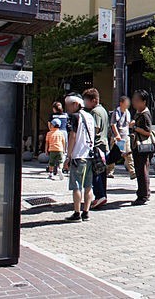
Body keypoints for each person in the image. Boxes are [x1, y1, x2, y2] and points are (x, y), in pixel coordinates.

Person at [63, 93, 95, 222]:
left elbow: (73, 136)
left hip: (78, 155)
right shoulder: (89, 116)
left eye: (69, 105)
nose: (67, 108)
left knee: (76, 185)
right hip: (90, 155)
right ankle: (86, 212)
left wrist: (68, 156)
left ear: (76, 104)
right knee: (88, 185)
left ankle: (77, 213)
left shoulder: (75, 117)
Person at [83, 88, 110, 209]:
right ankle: (102, 195)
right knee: (102, 171)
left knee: (96, 171)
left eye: (86, 101)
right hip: (104, 144)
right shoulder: (103, 110)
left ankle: (100, 195)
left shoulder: (95, 112)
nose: (85, 103)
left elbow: (95, 129)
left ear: (93, 100)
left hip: (97, 145)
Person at [131, 89, 153, 206]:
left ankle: (143, 195)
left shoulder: (145, 114)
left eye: (137, 100)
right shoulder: (139, 112)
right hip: (138, 145)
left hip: (142, 146)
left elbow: (148, 131)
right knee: (142, 170)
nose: (134, 103)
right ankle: (145, 193)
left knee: (142, 170)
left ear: (144, 102)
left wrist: (134, 128)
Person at [109, 95, 134, 180]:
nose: (127, 104)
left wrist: (132, 124)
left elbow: (128, 124)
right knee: (114, 155)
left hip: (126, 135)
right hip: (118, 136)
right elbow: (113, 124)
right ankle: (110, 171)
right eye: (126, 103)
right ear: (121, 103)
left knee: (128, 154)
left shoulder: (127, 112)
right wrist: (117, 135)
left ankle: (132, 172)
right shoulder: (116, 112)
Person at [50, 102, 69, 173]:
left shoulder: (53, 116)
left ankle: (54, 166)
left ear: (54, 108)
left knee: (55, 149)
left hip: (55, 133)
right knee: (64, 150)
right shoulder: (66, 115)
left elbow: (50, 124)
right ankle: (63, 166)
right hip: (64, 132)